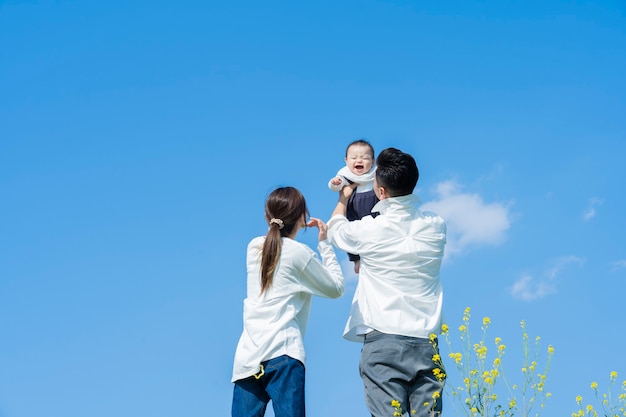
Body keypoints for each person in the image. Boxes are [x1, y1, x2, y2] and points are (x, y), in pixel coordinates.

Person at [327, 148, 447, 417]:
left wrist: (343, 199)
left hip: (384, 338)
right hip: (427, 343)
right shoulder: (436, 225)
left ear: (380, 192)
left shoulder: (371, 229)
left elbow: (335, 229)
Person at [231, 186, 345, 417]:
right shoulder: (300, 254)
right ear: (303, 218)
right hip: (283, 353)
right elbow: (336, 288)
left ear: (267, 216)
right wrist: (324, 245)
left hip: (247, 358)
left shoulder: (253, 247)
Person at [327, 139, 379, 273]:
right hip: (354, 206)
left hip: (374, 205)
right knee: (350, 232)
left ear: (373, 162)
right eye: (354, 158)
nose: (359, 161)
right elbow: (335, 186)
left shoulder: (375, 173)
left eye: (365, 158)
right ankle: (356, 260)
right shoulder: (345, 174)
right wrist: (336, 183)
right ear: (346, 160)